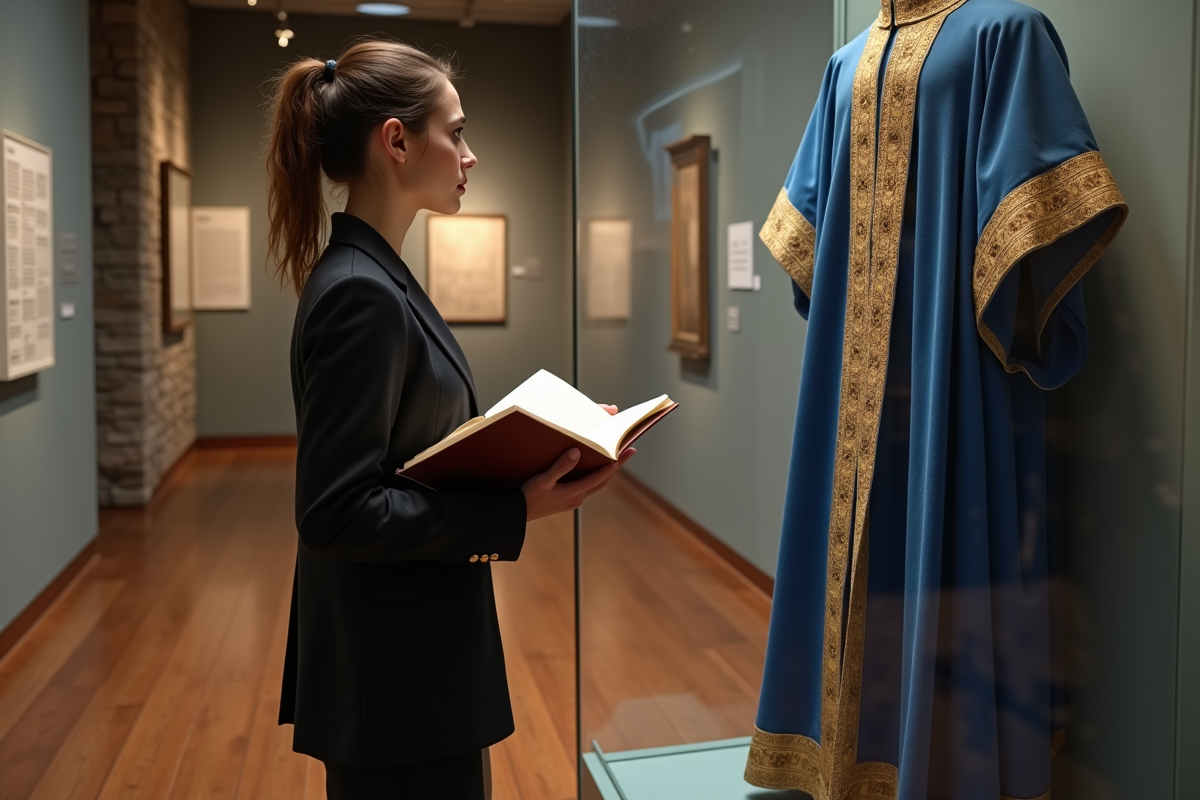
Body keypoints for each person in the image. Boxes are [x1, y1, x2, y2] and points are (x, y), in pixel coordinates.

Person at [265, 39, 632, 800]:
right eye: (456, 132)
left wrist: (540, 438)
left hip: (404, 670)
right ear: (397, 141)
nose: (471, 155)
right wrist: (514, 508)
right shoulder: (360, 292)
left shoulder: (374, 275)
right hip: (396, 682)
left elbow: (406, 448)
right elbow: (335, 512)